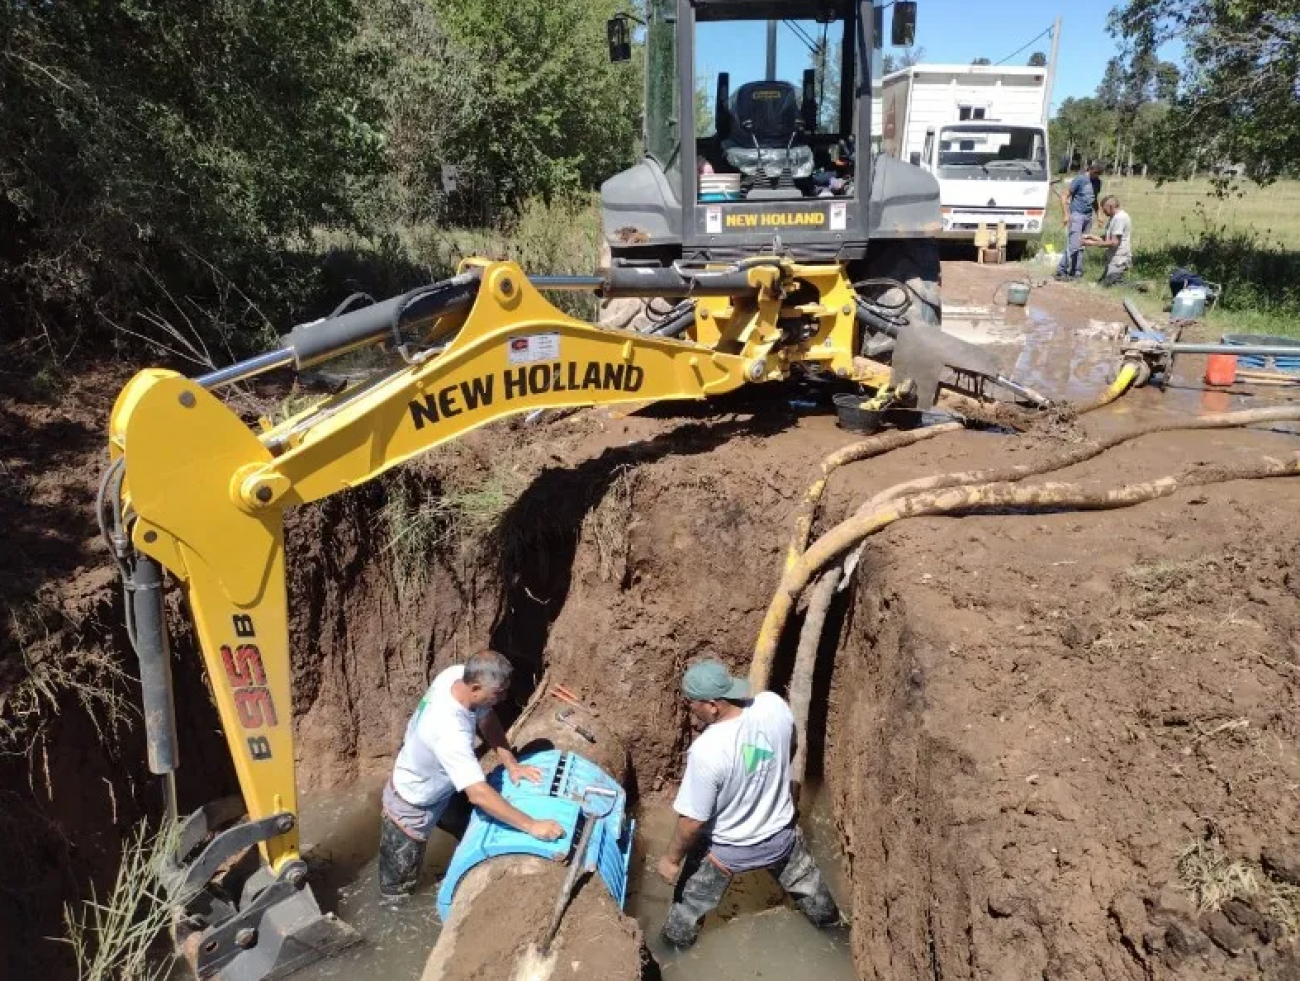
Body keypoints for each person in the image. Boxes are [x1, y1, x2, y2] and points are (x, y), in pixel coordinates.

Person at [656, 660, 839, 949]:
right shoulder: (773, 706)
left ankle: (672, 950)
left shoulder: (706, 752)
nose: (689, 708)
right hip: (781, 840)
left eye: (692, 703)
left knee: (686, 914)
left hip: (725, 854)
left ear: (712, 706)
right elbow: (789, 748)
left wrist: (671, 860)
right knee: (815, 897)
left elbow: (692, 822)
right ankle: (837, 936)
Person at [378, 649, 564, 901]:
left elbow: (486, 719)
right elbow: (477, 794)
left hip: (444, 785)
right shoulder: (449, 730)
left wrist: (510, 762)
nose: (504, 698)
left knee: (469, 830)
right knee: (397, 894)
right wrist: (533, 825)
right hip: (413, 801)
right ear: (476, 687)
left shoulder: (456, 676)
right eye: (498, 693)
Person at [1055, 160, 1104, 281]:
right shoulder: (1080, 180)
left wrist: (1098, 215)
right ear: (1090, 169)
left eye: (1099, 173)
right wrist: (1066, 214)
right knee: (1074, 244)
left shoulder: (1097, 182)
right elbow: (1064, 195)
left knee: (1083, 244)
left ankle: (1076, 271)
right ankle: (1061, 270)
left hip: (1088, 216)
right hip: (1077, 214)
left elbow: (1094, 199)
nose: (1097, 175)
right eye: (1096, 172)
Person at [1082, 195, 1133, 287]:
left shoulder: (1119, 219)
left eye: (1104, 209)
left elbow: (1114, 242)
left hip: (1119, 258)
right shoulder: (1114, 217)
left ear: (1110, 207)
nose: (1103, 211)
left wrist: (1092, 243)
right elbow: (1107, 238)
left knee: (1108, 285)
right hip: (1113, 257)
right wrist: (1091, 237)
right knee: (1105, 282)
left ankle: (1140, 286)